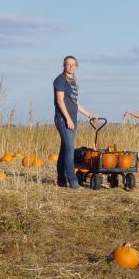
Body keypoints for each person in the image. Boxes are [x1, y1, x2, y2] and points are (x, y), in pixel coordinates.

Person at [53, 55, 97, 188]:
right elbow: (60, 101)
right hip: (63, 119)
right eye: (68, 64)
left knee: (65, 149)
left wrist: (90, 114)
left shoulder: (73, 82)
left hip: (72, 119)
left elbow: (75, 103)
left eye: (73, 64)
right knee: (70, 149)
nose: (71, 66)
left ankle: (61, 179)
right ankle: (72, 180)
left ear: (76, 66)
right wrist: (67, 119)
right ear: (64, 65)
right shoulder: (60, 80)